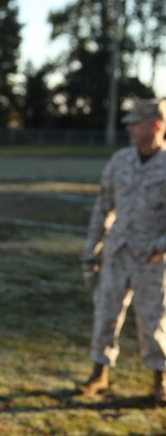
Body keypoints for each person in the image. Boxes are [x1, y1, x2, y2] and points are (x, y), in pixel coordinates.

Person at [76, 97, 166, 404]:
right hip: (117, 254)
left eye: (135, 122)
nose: (128, 127)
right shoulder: (120, 161)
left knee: (154, 321)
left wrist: (159, 248)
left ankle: (161, 380)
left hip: (152, 259)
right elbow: (103, 207)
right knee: (106, 314)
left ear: (155, 124)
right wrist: (92, 248)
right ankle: (99, 373)